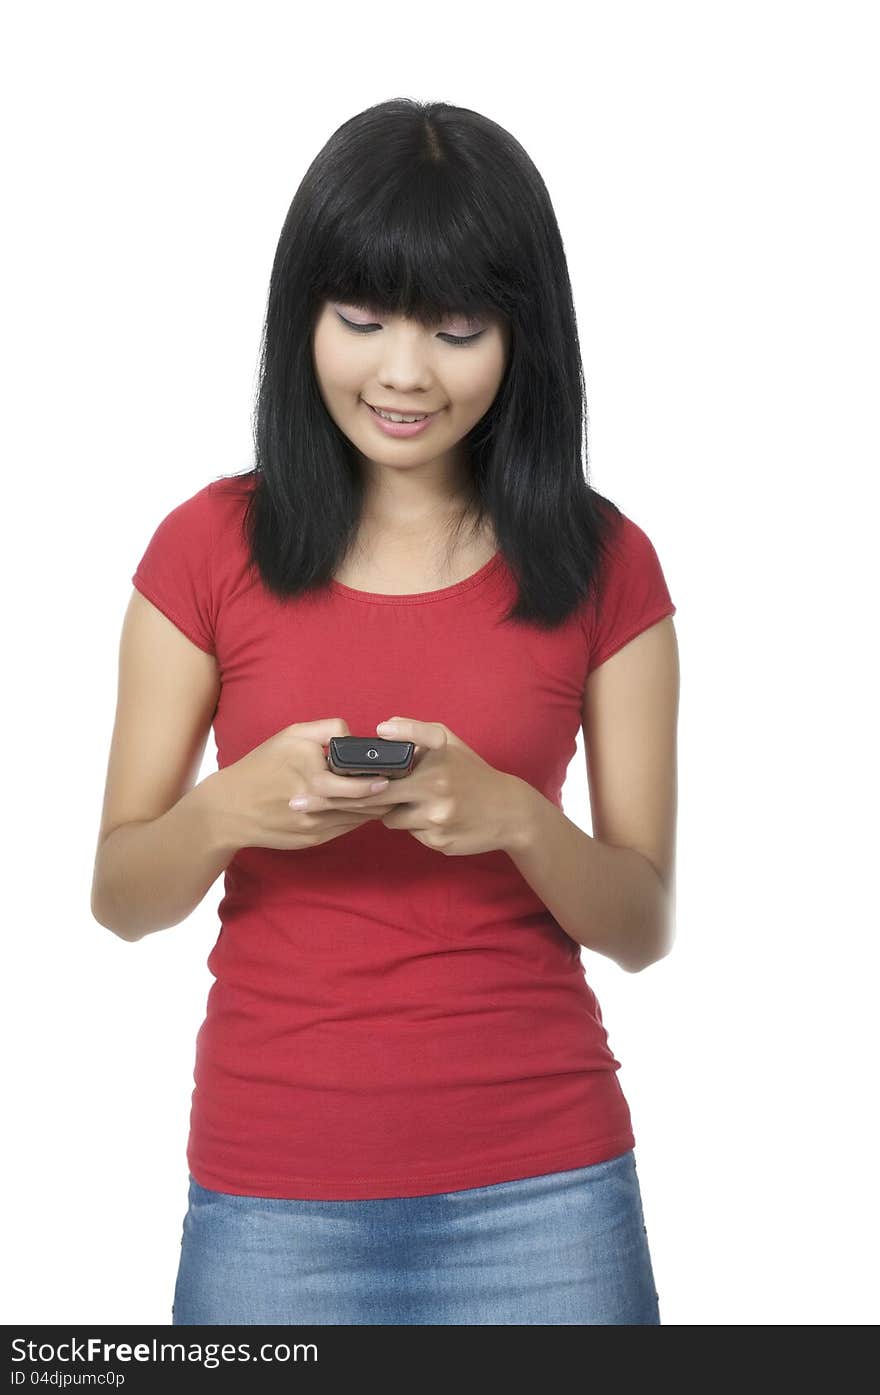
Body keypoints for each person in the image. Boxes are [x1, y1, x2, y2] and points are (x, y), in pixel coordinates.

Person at [91, 97, 679, 1326]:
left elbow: (643, 925)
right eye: (361, 320)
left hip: (549, 1193)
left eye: (458, 328)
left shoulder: (605, 560)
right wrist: (228, 811)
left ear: (525, 336)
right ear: (303, 313)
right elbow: (120, 896)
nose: (403, 372)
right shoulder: (206, 547)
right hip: (272, 1195)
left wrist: (515, 817)